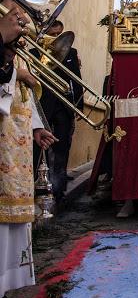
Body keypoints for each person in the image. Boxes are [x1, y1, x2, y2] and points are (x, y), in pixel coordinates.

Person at [0, 0, 57, 298]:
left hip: (16, 144)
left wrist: (36, 127)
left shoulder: (12, 46)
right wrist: (16, 73)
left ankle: (2, 288)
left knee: (12, 225)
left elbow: (21, 97)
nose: (17, 13)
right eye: (13, 3)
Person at [33, 20, 83, 201]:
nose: (55, 41)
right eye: (52, 36)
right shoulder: (33, 51)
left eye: (58, 36)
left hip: (63, 105)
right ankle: (40, 184)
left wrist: (78, 105)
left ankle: (59, 186)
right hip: (42, 103)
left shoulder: (71, 52)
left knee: (62, 146)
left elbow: (76, 80)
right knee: (41, 146)